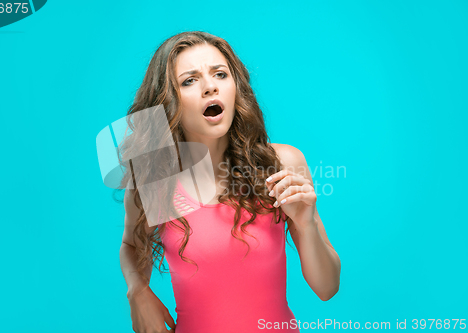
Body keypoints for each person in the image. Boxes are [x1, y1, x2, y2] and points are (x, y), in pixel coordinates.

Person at [118, 31, 341, 333]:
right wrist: (137, 291)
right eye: (189, 80)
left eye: (220, 74)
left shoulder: (279, 165)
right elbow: (131, 243)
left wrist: (307, 222)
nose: (210, 87)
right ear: (167, 102)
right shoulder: (157, 180)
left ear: (235, 87)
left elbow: (327, 288)